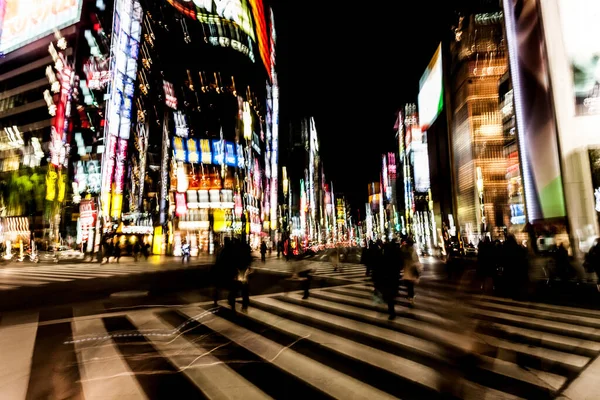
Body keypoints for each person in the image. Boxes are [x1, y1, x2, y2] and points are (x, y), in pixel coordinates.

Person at [401, 238, 421, 306]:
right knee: (410, 285)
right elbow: (416, 261)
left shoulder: (403, 250)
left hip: (406, 269)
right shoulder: (412, 251)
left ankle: (410, 296)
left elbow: (401, 259)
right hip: (411, 269)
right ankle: (411, 297)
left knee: (408, 285)